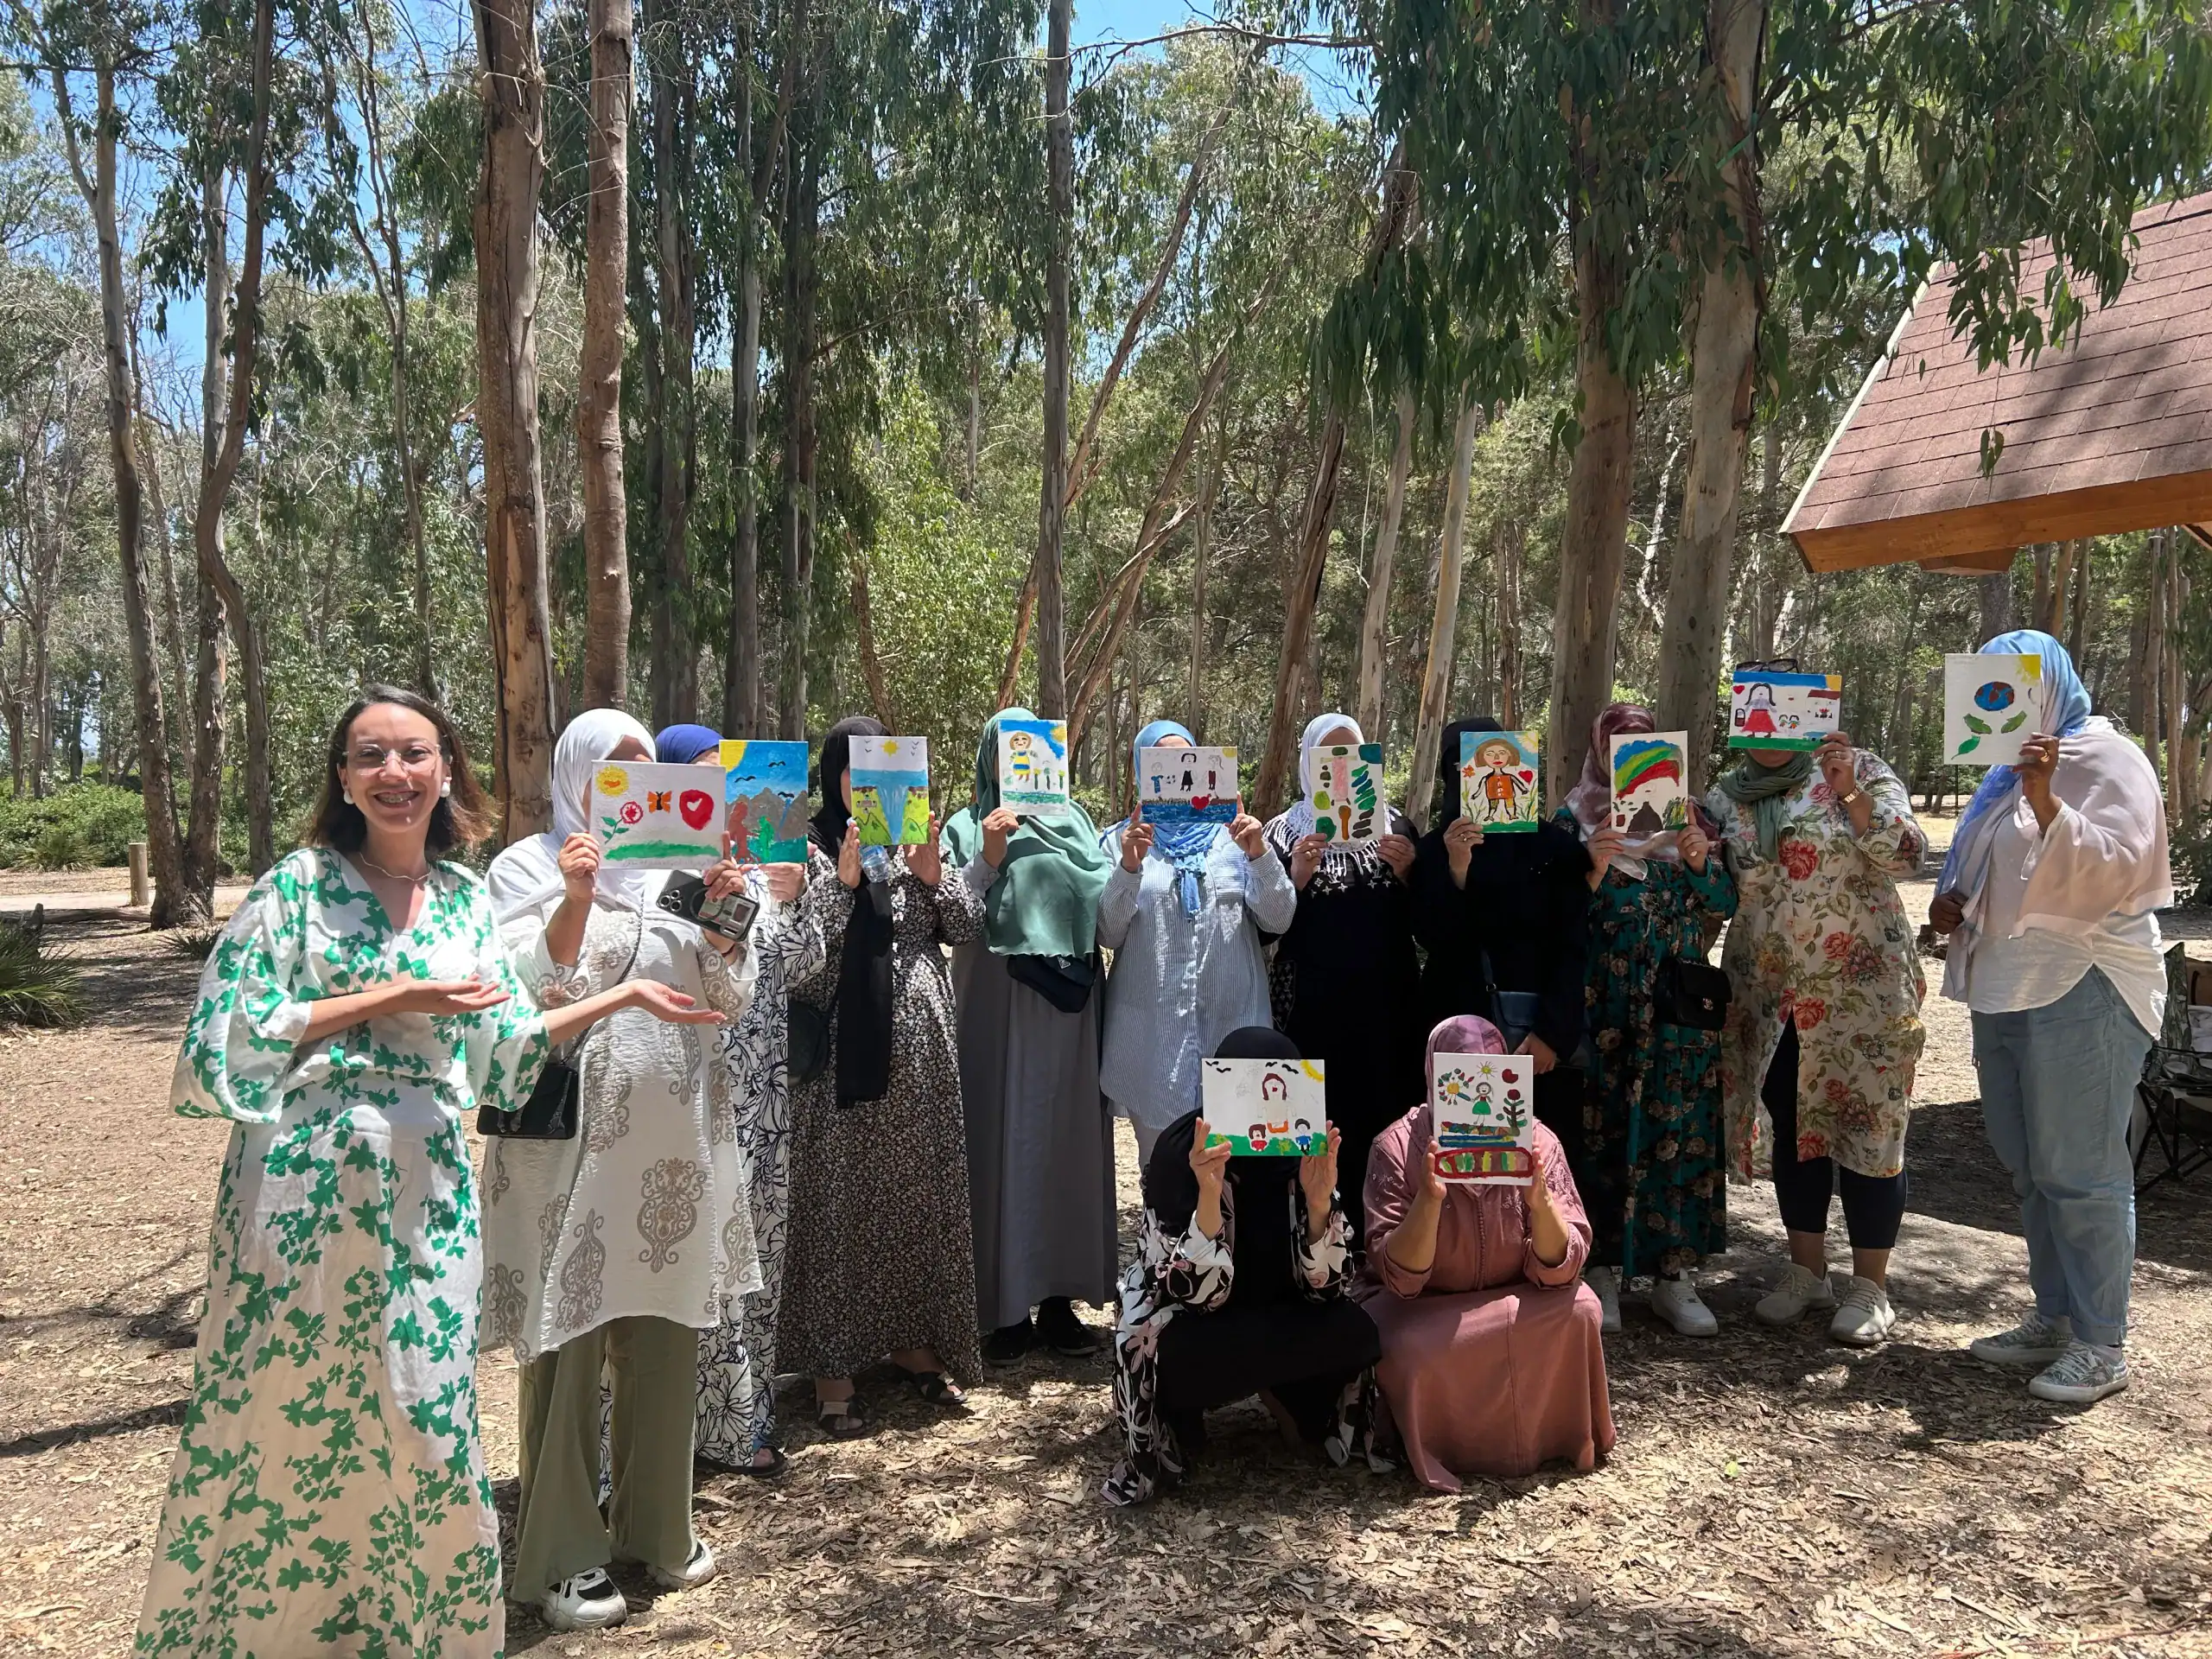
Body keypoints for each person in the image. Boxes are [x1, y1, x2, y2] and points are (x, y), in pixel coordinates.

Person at [136, 688, 721, 1658]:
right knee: (288, 1410)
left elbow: (502, 1047)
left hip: (428, 1199)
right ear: (343, 778)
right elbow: (222, 1036)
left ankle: (414, 1631)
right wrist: (385, 998)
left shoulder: (458, 896)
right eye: (372, 756)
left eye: (415, 755)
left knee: (423, 1413)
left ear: (447, 770)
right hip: (303, 1186)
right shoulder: (295, 887)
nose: (395, 775)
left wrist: (622, 995)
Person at [484, 710, 760, 1632]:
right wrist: (576, 895)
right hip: (564, 1151)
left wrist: (727, 909)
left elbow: (729, 996)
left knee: (664, 1330)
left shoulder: (683, 877)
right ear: (578, 776)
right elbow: (532, 997)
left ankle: (656, 1528)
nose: (636, 780)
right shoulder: (527, 867)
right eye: (616, 767)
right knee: (564, 1343)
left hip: (671, 1146)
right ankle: (560, 1555)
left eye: (646, 766)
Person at [1929, 630, 2171, 1406]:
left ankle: (2102, 1343)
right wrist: (1953, 903)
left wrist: (2047, 798)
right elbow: (1993, 868)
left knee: (2082, 1170)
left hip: (2085, 981)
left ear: (2054, 682)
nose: (2006, 694)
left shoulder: (2107, 757)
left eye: (2019, 680)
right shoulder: (2000, 777)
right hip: (2006, 984)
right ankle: (2055, 1314)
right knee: (2031, 1167)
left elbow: (2121, 869)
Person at [777, 716, 983, 1437]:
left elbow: (967, 926)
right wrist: (842, 882)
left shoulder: (917, 842)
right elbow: (801, 954)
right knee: (840, 1199)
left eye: (884, 772)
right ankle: (831, 1362)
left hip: (921, 1052)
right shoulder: (804, 845)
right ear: (833, 776)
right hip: (842, 1053)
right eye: (854, 771)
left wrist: (935, 875)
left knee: (912, 1195)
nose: (868, 786)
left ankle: (912, 1340)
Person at [1706, 719, 1926, 1346]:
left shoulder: (1862, 771)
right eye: (1756, 714)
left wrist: (1852, 793)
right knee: (1793, 1122)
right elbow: (1722, 894)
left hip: (1859, 984)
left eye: (1785, 714)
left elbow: (1907, 856)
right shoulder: (1727, 799)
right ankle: (1806, 1271)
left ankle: (1871, 1287)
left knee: (1868, 1123)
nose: (1770, 729)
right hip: (1768, 990)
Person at [1103, 1027, 1382, 1505]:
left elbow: (1328, 1288)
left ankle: (1295, 1400)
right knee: (1164, 1353)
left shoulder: (1302, 1146)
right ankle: (1182, 1416)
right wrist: (1208, 1194)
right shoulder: (1179, 1156)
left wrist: (1318, 1205)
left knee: (1359, 1332)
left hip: (1277, 1304)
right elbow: (1191, 1296)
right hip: (1189, 1319)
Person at [1357, 1015, 1615, 1491]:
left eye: (1490, 1073)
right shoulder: (1396, 1146)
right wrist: (1429, 1200)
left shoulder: (1537, 1140)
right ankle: (1440, 1448)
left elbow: (1563, 1268)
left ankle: (1552, 1439)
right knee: (1406, 1345)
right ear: (1435, 1077)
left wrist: (1539, 1201)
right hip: (1424, 1309)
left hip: (1519, 1298)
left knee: (1580, 1309)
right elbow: (1400, 1278)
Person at [941, 709, 1119, 1363]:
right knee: (1002, 1143)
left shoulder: (1078, 825)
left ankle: (1059, 1299)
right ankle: (1003, 1308)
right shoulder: (966, 825)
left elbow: (1107, 913)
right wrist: (989, 857)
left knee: (1063, 1147)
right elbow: (950, 916)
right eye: (1005, 750)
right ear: (989, 757)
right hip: (997, 1006)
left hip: (1069, 1012)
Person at [664, 727, 817, 1474]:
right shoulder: (650, 871)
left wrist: (794, 897)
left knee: (754, 1253)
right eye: (701, 780)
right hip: (680, 1091)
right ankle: (670, 1426)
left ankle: (745, 1417)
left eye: (728, 781)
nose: (718, 796)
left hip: (763, 1093)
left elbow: (804, 964)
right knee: (685, 1250)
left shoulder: (767, 869)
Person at [1564, 703, 1738, 1335]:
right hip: (1605, 1005)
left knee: (1679, 1127)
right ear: (1599, 751)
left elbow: (1723, 902)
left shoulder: (1692, 820)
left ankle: (1674, 1275)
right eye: (1618, 744)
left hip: (1678, 1012)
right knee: (1602, 1132)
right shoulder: (1574, 818)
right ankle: (1602, 1273)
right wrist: (1592, 865)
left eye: (1643, 745)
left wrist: (1696, 860)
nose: (1629, 755)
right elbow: (1554, 916)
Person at [1412, 717, 1592, 1222]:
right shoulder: (1434, 851)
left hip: (1537, 1041)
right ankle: (1466, 1265)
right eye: (1461, 764)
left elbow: (1573, 944)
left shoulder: (1553, 849)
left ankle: (1554, 1269)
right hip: (1458, 1035)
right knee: (1461, 1165)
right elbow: (1435, 938)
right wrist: (1457, 869)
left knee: (1543, 1166)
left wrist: (1552, 1034)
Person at [1098, 719, 1295, 1165]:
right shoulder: (1118, 842)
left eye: (1185, 759)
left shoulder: (1237, 841)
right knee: (1162, 1183)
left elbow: (1280, 918)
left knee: (1237, 1184)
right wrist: (1130, 867)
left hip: (1234, 1033)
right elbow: (1108, 934)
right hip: (1151, 1046)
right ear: (1143, 773)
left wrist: (1259, 854)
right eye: (1162, 764)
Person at [1262, 712, 1421, 1236]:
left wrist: (1407, 873)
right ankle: (1316, 1242)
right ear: (1308, 764)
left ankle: (1382, 1237)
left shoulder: (1395, 825)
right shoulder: (1283, 832)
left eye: (1350, 754)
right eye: (1327, 755)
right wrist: (1296, 878)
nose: (1340, 765)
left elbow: (1423, 921)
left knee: (1385, 1114)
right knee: (1317, 1124)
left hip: (1386, 1008)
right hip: (1311, 1010)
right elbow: (1263, 927)